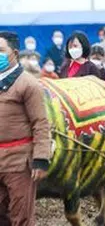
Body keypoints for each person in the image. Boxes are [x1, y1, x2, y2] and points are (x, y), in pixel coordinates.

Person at [0, 31, 51, 225]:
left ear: (14, 52)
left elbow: (40, 122)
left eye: (0, 50)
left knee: (21, 216)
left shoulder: (28, 84)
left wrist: (40, 159)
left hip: (19, 162)